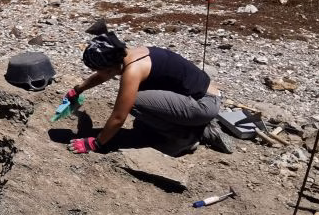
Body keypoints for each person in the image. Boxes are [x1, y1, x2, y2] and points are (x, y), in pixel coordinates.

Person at [64, 29, 233, 157]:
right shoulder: (130, 54)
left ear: (109, 67)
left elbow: (118, 117)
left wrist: (96, 143)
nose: (98, 74)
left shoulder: (133, 70)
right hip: (201, 96)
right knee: (141, 118)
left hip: (204, 104)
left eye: (98, 70)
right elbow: (103, 75)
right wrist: (78, 89)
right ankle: (193, 125)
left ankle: (186, 137)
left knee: (134, 102)